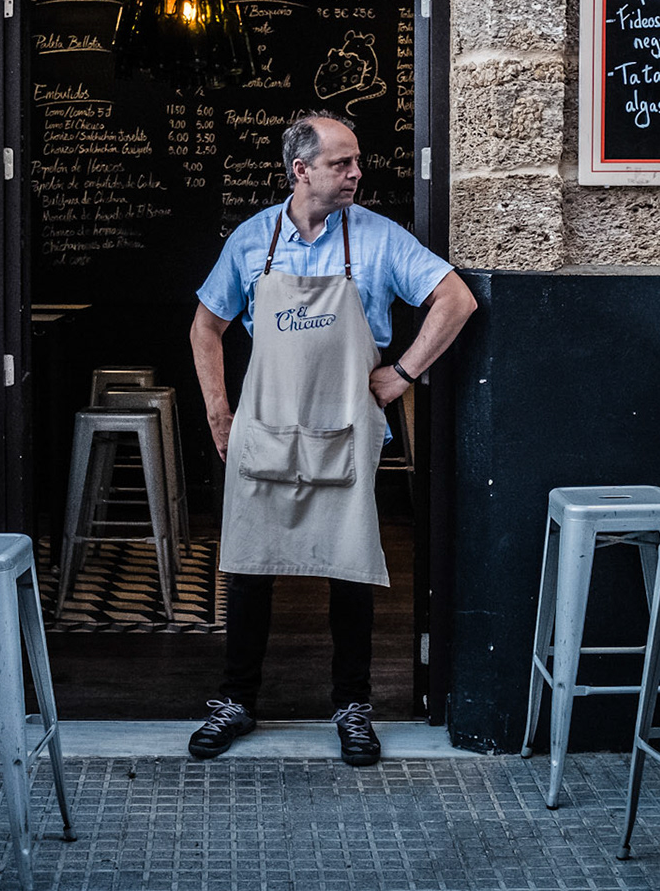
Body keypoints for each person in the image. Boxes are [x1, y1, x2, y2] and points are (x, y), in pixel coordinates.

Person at [187, 111, 476, 766]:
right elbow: (206, 327)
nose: (356, 172)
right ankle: (235, 700)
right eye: (342, 162)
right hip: (267, 418)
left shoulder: (376, 239)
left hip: (347, 422)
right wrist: (218, 413)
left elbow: (455, 299)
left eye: (355, 161)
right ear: (302, 170)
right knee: (251, 562)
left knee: (347, 564)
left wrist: (402, 373)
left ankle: (352, 706)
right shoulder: (252, 241)